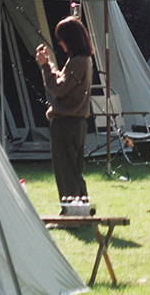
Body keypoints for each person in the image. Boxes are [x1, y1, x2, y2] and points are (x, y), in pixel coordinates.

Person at [35, 16, 96, 207]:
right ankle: (82, 210)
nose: (59, 43)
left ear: (71, 38)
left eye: (61, 38)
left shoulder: (77, 62)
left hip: (66, 124)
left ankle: (72, 213)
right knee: (74, 170)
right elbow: (61, 82)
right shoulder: (83, 60)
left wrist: (45, 65)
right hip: (77, 123)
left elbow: (57, 88)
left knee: (65, 171)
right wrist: (50, 65)